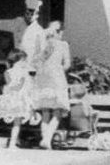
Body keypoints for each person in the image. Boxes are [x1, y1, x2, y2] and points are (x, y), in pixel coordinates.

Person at [30, 21, 70, 149]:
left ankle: (45, 139)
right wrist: (58, 69)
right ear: (60, 32)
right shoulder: (63, 45)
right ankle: (47, 139)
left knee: (45, 111)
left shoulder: (43, 45)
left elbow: (35, 62)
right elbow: (67, 64)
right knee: (58, 110)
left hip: (42, 78)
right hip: (57, 78)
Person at [0, 50, 35, 148]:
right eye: (24, 60)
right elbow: (20, 87)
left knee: (17, 122)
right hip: (19, 100)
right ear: (18, 60)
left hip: (11, 99)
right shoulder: (23, 72)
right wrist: (22, 82)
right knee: (17, 123)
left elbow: (9, 85)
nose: (25, 62)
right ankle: (13, 142)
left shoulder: (7, 71)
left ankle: (16, 140)